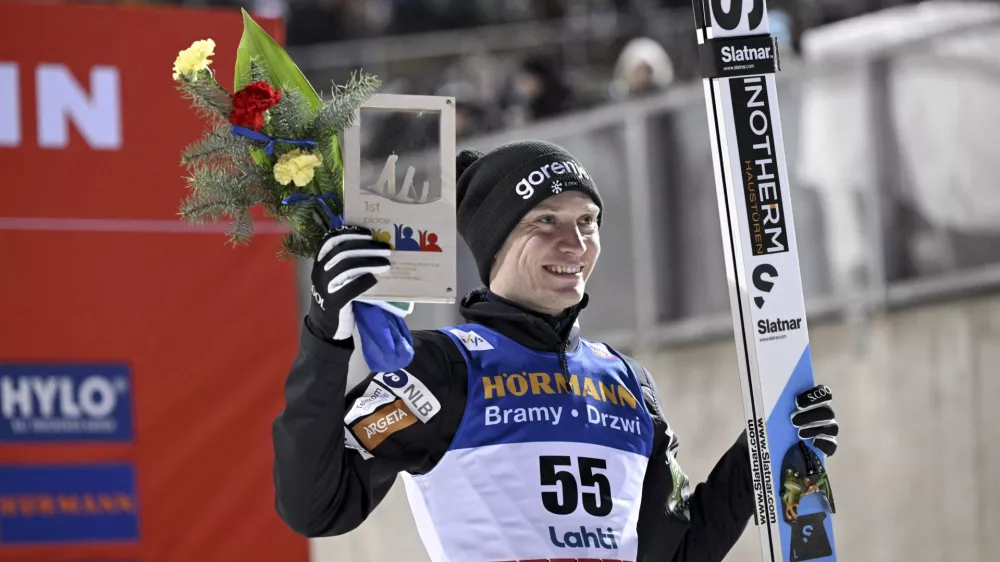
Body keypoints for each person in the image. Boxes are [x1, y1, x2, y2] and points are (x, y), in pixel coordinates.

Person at [271, 140, 840, 561]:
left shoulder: (625, 381)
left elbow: (679, 551)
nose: (575, 244)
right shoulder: (441, 368)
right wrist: (326, 338)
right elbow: (314, 506)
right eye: (545, 221)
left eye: (587, 222)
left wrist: (768, 445)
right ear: (496, 242)